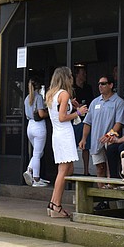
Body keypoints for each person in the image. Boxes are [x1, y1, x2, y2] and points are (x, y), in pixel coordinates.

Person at [79, 74, 124, 190]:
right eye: (99, 84)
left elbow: (119, 123)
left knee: (111, 168)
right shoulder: (95, 102)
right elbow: (87, 122)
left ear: (111, 85)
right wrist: (84, 139)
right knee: (99, 168)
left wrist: (108, 135)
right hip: (96, 141)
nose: (100, 86)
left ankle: (111, 196)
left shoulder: (118, 102)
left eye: (103, 83)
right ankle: (102, 198)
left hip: (110, 141)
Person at [46, 66, 80, 218]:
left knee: (65, 169)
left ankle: (53, 202)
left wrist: (71, 104)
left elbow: (58, 112)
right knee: (64, 170)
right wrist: (78, 112)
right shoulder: (64, 93)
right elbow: (62, 117)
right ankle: (56, 204)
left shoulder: (51, 94)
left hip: (56, 134)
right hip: (64, 133)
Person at [23, 78, 49, 187]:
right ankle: (36, 178)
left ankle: (30, 170)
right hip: (38, 126)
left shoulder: (26, 98)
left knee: (38, 152)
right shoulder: (38, 97)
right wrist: (50, 113)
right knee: (37, 154)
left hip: (30, 126)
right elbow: (41, 114)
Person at [71, 65, 94, 175]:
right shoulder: (72, 89)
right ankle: (69, 170)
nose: (85, 75)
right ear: (77, 74)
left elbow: (91, 103)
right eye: (82, 73)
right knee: (72, 145)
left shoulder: (88, 88)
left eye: (85, 73)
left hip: (86, 119)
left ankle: (86, 171)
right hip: (74, 119)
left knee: (86, 145)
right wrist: (77, 108)